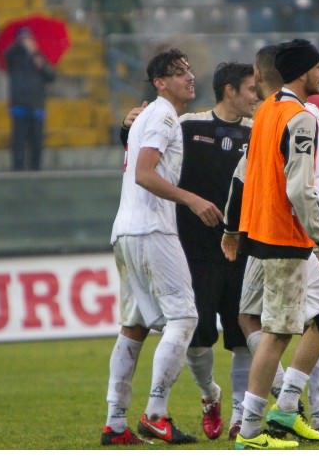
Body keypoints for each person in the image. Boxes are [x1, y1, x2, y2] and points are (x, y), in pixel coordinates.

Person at [221, 39, 319, 450]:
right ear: (303, 72)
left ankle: (272, 416)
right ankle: (258, 427)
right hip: (286, 237)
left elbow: (245, 174)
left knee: (270, 328)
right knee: (277, 333)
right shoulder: (301, 116)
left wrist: (231, 227)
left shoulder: (266, 112)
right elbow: (301, 190)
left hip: (259, 235)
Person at [102, 48, 223, 446]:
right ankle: (156, 414)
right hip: (152, 229)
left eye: (189, 70)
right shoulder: (164, 115)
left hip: (126, 230)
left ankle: (115, 424)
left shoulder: (146, 117)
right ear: (159, 83)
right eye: (178, 73)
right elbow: (144, 173)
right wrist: (191, 199)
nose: (189, 77)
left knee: (134, 327)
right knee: (184, 318)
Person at [4, 27, 55, 171]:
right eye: (23, 39)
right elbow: (7, 57)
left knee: (37, 141)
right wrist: (21, 47)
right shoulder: (14, 56)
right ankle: (18, 168)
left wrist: (40, 63)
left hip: (36, 105)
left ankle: (35, 168)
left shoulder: (38, 57)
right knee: (18, 141)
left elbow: (51, 76)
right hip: (20, 104)